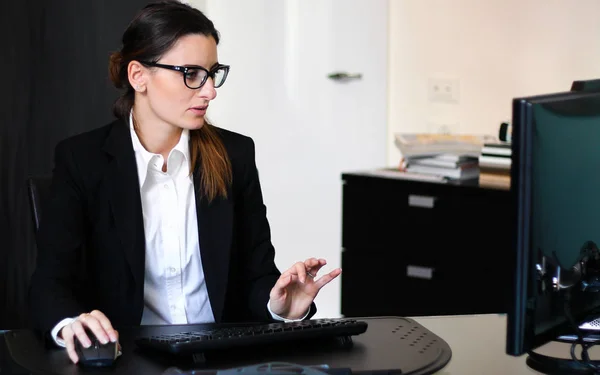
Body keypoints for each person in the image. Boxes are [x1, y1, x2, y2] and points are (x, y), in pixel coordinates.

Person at [28, 0, 341, 364]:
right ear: (138, 76)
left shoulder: (234, 155)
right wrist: (71, 323)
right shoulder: (83, 160)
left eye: (212, 73)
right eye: (191, 73)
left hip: (221, 361)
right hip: (128, 361)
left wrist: (281, 306)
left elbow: (255, 277)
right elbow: (51, 283)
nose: (209, 91)